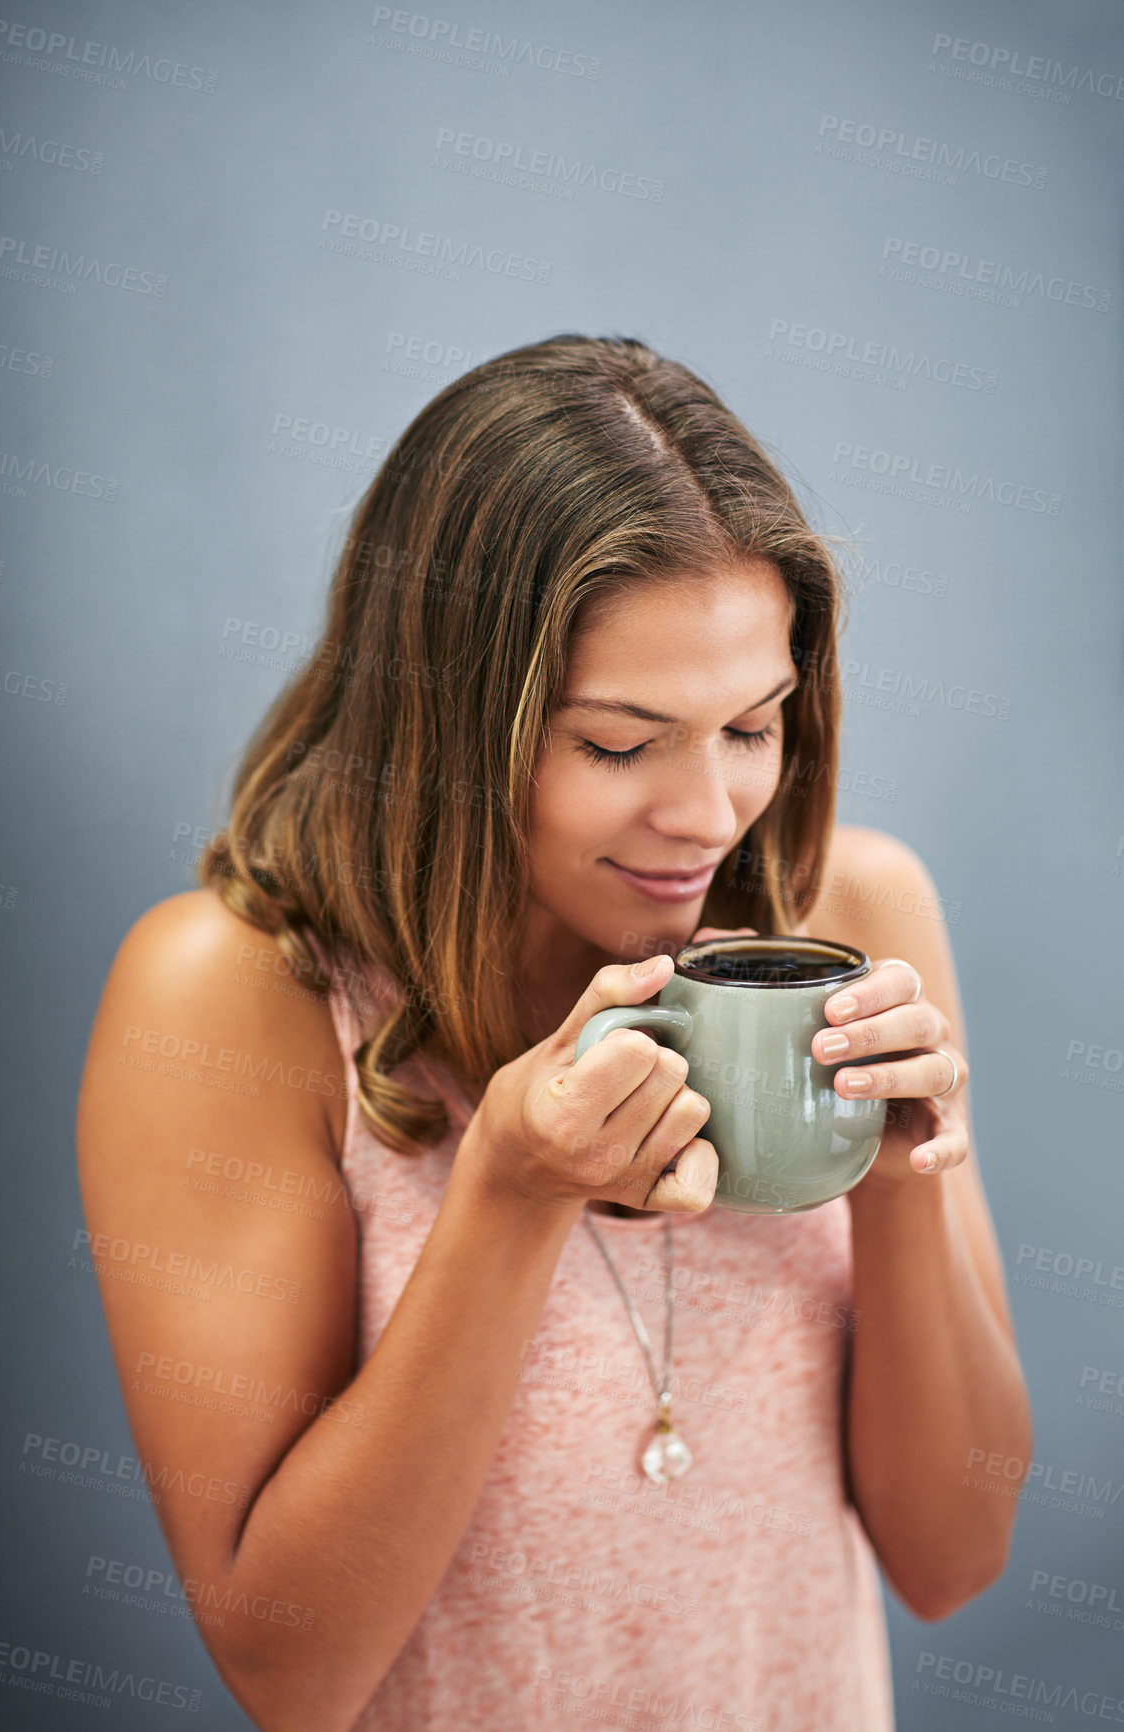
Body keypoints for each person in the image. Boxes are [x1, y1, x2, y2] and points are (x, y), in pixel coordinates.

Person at [76, 333, 1032, 1732]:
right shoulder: (231, 999)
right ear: (443, 719)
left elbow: (954, 1562)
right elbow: (291, 1672)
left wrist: (892, 1173)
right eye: (616, 744)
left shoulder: (856, 913)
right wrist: (509, 1200)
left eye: (751, 728)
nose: (708, 817)